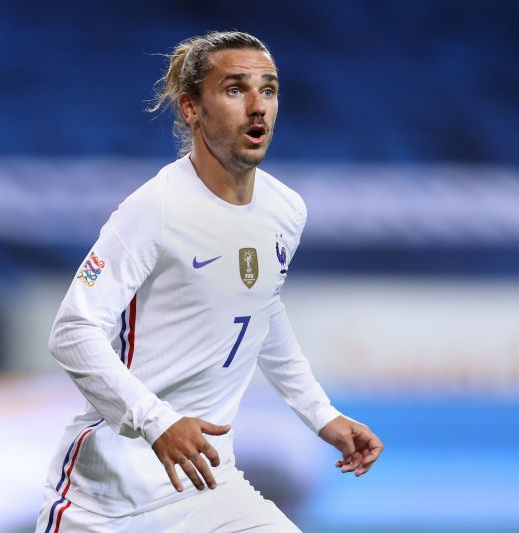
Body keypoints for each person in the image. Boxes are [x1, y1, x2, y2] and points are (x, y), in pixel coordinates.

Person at [36, 30, 383, 533]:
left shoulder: (286, 209)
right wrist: (158, 423)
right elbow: (72, 331)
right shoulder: (154, 208)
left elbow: (262, 307)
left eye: (269, 89)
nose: (258, 106)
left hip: (210, 490)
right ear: (190, 109)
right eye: (235, 89)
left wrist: (321, 415)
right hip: (109, 501)